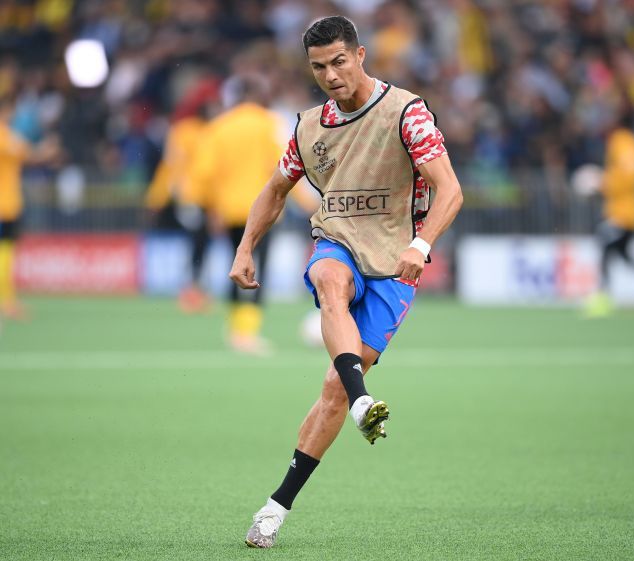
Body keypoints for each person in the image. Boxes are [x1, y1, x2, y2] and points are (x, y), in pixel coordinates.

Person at [228, 16, 463, 549]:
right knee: (328, 278)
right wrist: (245, 248)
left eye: (338, 61)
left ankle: (276, 503)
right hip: (337, 240)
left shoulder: (407, 112)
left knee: (331, 390)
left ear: (359, 55)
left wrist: (420, 246)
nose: (330, 75)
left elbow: (448, 190)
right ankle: (364, 400)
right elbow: (274, 189)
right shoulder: (309, 127)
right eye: (318, 67)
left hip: (395, 262)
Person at [193, 73, 317, 354]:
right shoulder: (267, 124)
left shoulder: (219, 126)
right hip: (263, 209)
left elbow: (204, 173)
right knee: (259, 269)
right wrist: (309, 203)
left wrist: (211, 208)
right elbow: (285, 167)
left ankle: (235, 327)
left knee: (235, 266)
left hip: (229, 209)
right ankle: (247, 331)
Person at [144, 78, 219, 313]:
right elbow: (170, 167)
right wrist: (156, 198)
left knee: (203, 242)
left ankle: (195, 287)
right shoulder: (184, 131)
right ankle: (190, 289)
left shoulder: (215, 129)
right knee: (197, 240)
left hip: (210, 199)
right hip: (190, 197)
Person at [583, 111, 634, 317]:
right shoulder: (626, 141)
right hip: (625, 210)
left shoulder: (622, 141)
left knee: (605, 247)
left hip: (622, 213)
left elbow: (628, 177)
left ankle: (603, 296)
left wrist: (601, 183)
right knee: (623, 254)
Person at [0, 94, 59, 320]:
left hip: (8, 205)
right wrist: (50, 147)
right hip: (5, 206)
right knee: (5, 255)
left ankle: (7, 299)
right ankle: (6, 301)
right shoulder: (5, 137)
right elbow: (33, 154)